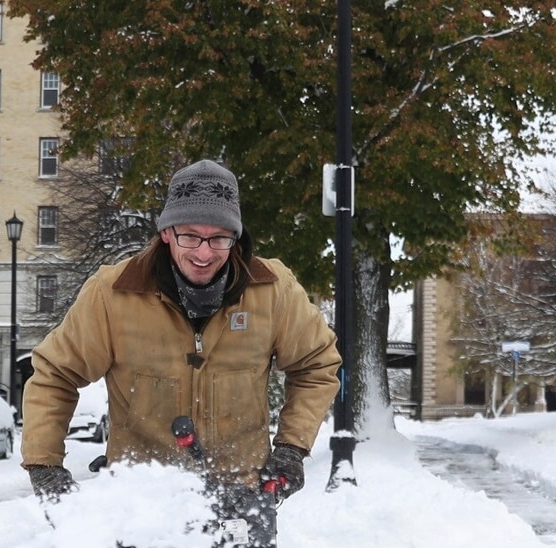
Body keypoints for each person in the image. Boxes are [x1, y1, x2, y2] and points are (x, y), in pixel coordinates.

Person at [20, 159, 342, 499]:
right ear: (166, 234)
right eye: (190, 236)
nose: (204, 253)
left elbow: (316, 365)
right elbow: (55, 374)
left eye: (218, 238)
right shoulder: (112, 294)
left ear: (235, 237)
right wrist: (45, 465)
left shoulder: (272, 290)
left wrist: (292, 448)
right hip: (141, 500)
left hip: (241, 494)